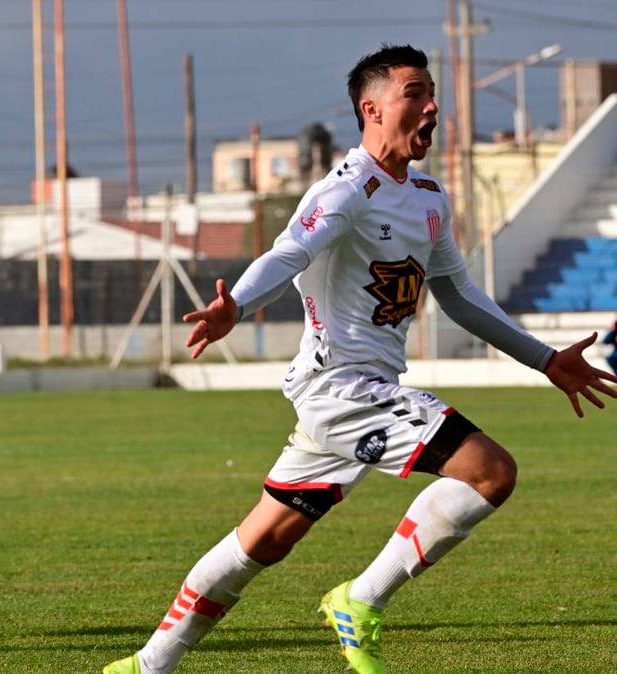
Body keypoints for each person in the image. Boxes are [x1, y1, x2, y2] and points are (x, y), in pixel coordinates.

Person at [103, 44, 617, 674]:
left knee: (263, 540)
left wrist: (544, 359)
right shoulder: (346, 190)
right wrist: (236, 304)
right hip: (341, 389)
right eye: (414, 94)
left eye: (432, 95)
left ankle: (147, 665)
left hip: (358, 394)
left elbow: (457, 295)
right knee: (489, 471)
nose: (432, 108)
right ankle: (361, 599)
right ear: (371, 110)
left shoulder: (428, 197)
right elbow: (288, 253)